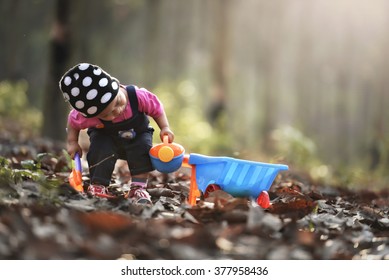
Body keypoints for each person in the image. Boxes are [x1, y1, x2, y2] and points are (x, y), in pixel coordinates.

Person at [59, 63, 174, 204]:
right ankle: (98, 185)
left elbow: (156, 108)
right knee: (99, 148)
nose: (117, 111)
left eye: (118, 102)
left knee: (143, 148)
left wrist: (165, 127)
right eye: (108, 114)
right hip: (106, 137)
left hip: (137, 135)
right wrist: (72, 142)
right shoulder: (85, 116)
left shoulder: (136, 96)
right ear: (91, 115)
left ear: (116, 86)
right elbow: (73, 122)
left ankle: (138, 188)